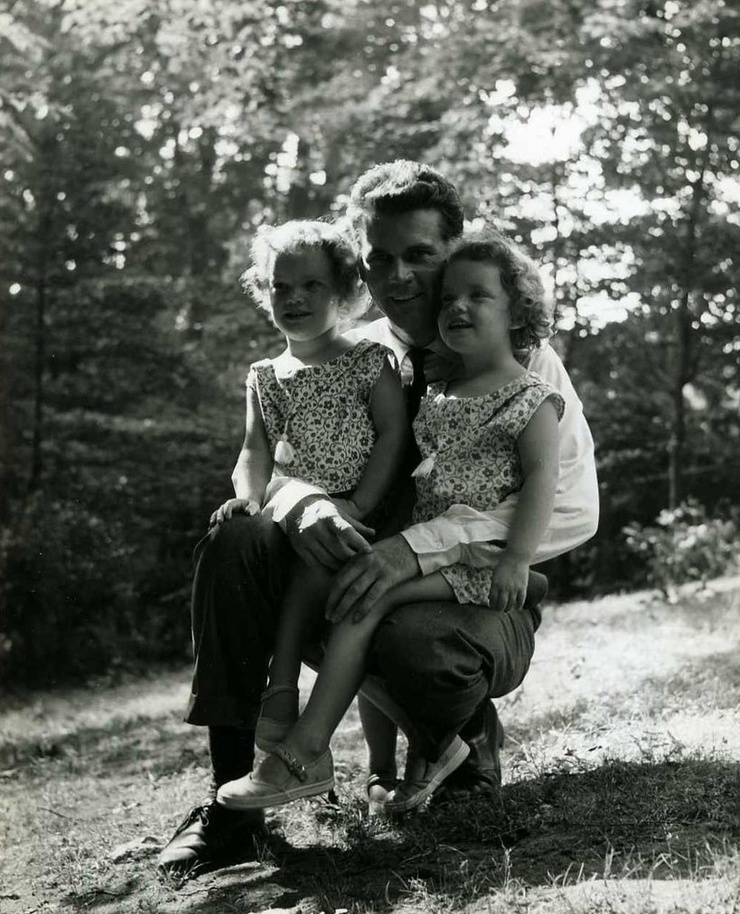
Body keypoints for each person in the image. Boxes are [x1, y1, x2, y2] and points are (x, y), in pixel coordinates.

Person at [158, 161, 599, 878]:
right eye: (379, 258)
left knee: (412, 636)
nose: (399, 276)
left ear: (454, 249)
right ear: (358, 266)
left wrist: (416, 550)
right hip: (352, 571)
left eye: (419, 254)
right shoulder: (352, 354)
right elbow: (278, 462)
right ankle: (232, 804)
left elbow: (575, 508)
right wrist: (301, 503)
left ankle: (461, 745)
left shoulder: (519, 358)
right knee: (236, 540)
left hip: (471, 596)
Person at [215, 228, 570, 814]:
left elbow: (543, 487)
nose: (457, 307)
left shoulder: (531, 397)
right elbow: (268, 454)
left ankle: (305, 751)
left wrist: (516, 560)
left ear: (518, 310)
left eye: (478, 296)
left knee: (365, 599)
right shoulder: (440, 391)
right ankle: (418, 756)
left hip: (481, 563)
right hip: (431, 557)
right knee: (358, 596)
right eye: (449, 297)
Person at [211, 220, 408, 755]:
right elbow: (254, 450)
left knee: (320, 571)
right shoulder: (265, 375)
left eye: (312, 286)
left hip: (363, 514)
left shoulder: (367, 359)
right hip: (295, 514)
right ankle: (277, 696)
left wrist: (359, 503)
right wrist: (248, 498)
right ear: (265, 293)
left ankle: (282, 694)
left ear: (343, 292)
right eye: (281, 287)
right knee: (283, 563)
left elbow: (393, 435)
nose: (294, 298)